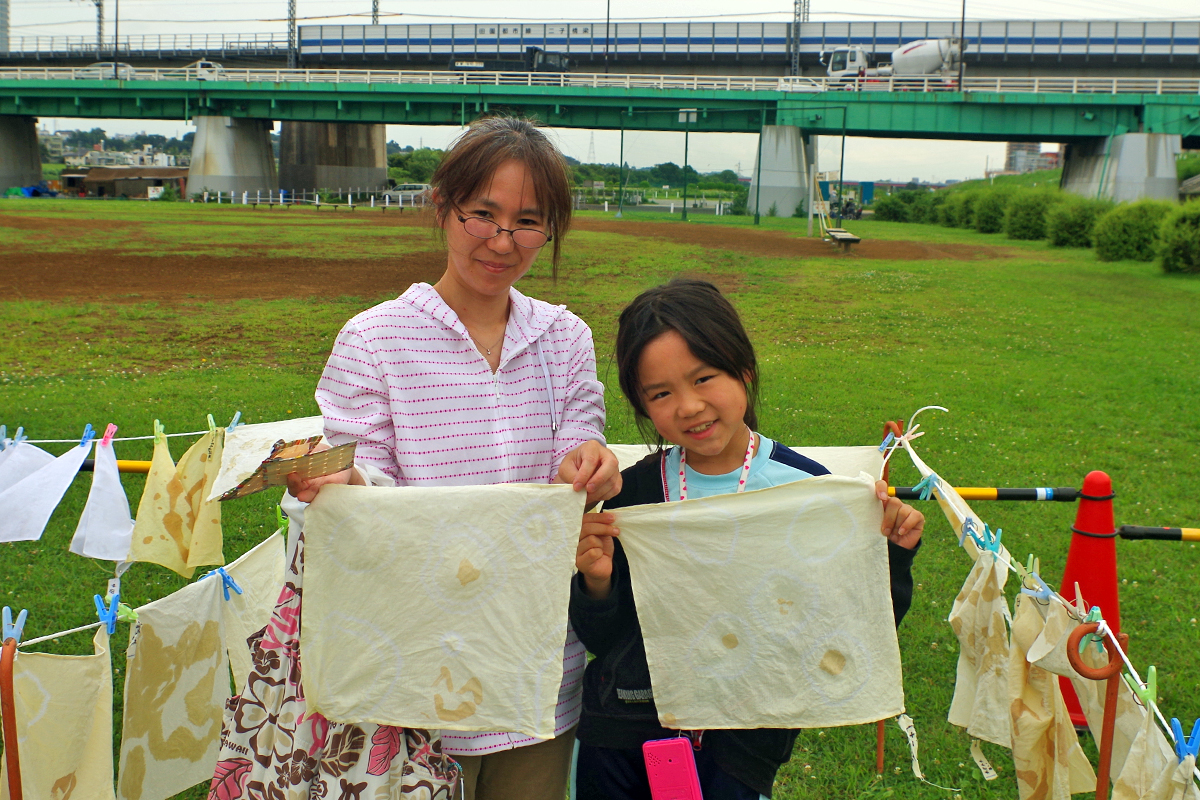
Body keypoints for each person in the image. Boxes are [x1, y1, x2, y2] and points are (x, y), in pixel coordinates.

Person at [209, 116, 621, 800]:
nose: (501, 240)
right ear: (441, 206)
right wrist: (348, 483)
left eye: (527, 222)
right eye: (481, 215)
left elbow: (581, 443)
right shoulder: (375, 339)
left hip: (538, 673)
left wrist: (592, 465)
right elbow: (365, 480)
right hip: (412, 686)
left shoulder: (566, 337)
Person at [569, 278, 925, 800]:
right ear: (643, 408)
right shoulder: (637, 493)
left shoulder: (809, 491)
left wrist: (890, 555)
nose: (689, 406)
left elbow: (852, 624)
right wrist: (598, 583)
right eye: (662, 393)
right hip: (620, 741)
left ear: (745, 370)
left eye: (704, 378)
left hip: (743, 751)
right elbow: (604, 639)